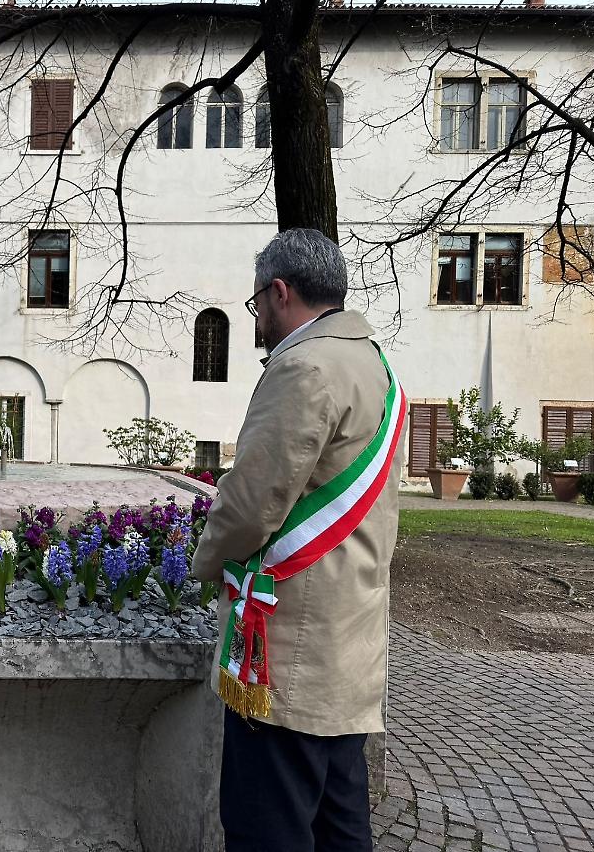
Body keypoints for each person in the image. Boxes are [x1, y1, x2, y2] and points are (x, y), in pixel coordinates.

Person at [191, 228, 406, 852]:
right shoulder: (375, 364)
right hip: (349, 642)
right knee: (340, 826)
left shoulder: (303, 367)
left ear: (280, 293)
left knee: (268, 827)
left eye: (257, 302)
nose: (257, 317)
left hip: (288, 653)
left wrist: (202, 564)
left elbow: (251, 503)